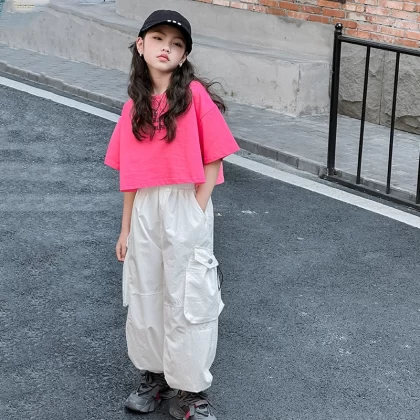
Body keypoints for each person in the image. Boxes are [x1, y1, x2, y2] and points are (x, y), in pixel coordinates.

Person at [104, 9, 239, 420]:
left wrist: (197, 209)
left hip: (185, 201)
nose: (167, 47)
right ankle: (155, 376)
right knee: (145, 291)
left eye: (177, 44)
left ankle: (191, 390)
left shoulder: (193, 95)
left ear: (184, 56)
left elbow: (214, 156)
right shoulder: (134, 106)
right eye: (158, 39)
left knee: (189, 295)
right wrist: (125, 228)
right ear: (141, 45)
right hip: (145, 207)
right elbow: (130, 174)